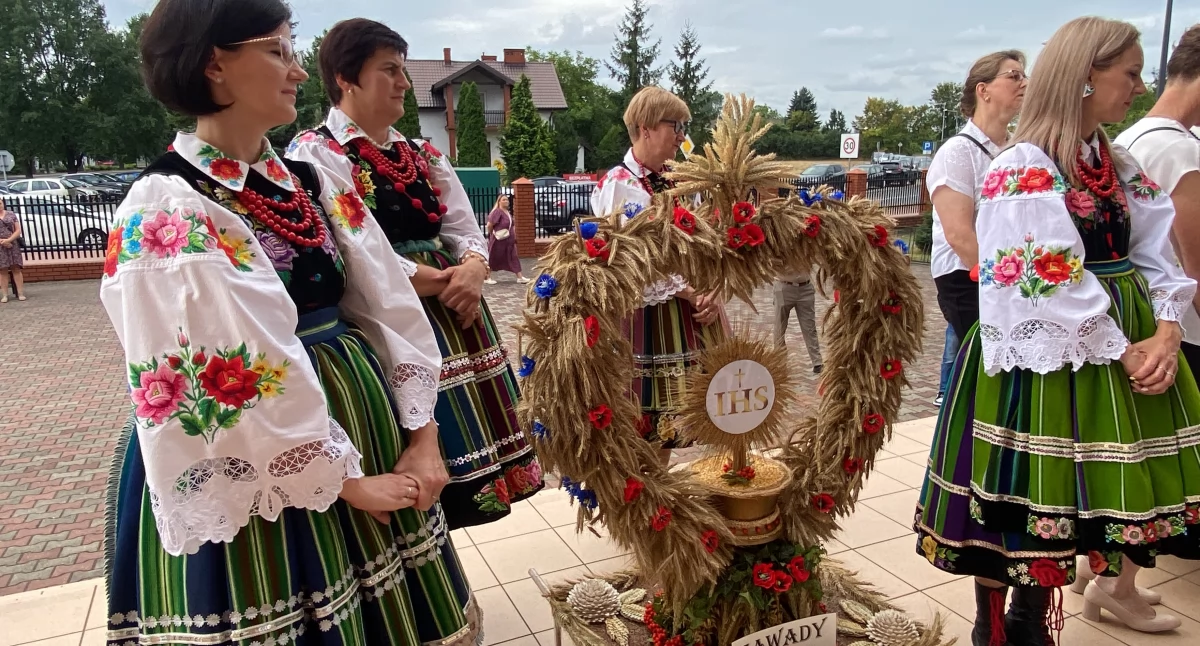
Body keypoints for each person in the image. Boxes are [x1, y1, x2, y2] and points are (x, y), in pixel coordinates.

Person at [103, 2, 478, 643]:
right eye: (277, 51)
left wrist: (422, 432)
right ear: (213, 64)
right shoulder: (168, 203)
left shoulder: (311, 177)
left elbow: (386, 300)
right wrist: (344, 479)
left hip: (361, 423)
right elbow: (224, 364)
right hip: (257, 455)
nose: (300, 72)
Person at [914, 17, 1200, 645]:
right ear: (1085, 77)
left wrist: (1169, 329)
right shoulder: (1023, 168)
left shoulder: (1114, 161)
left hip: (1111, 349)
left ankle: (1031, 617)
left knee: (1071, 501)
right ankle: (1005, 628)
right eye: (1129, 72)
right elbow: (1046, 279)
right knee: (1022, 502)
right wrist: (1125, 349)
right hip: (1044, 354)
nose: (1140, 85)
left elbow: (1160, 252)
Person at [287, 18, 541, 530]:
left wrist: (472, 267)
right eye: (390, 70)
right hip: (385, 317)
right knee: (406, 449)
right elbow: (349, 247)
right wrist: (446, 280)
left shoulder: (421, 153)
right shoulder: (315, 154)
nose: (405, 82)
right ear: (345, 77)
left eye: (404, 70)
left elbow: (464, 226)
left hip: (454, 312)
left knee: (463, 452)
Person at [590, 86, 726, 459]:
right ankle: (636, 512)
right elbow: (629, 261)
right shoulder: (621, 184)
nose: (681, 135)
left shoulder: (680, 178)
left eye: (683, 126)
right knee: (642, 432)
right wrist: (689, 291)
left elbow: (706, 242)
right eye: (675, 125)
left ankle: (657, 509)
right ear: (645, 127)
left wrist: (713, 288)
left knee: (670, 434)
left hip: (690, 312)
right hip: (645, 319)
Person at [928, 49, 1027, 409]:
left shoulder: (1017, 149)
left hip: (1007, 279)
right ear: (983, 90)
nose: (1024, 83)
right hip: (969, 277)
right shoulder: (959, 152)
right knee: (983, 380)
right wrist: (1006, 289)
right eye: (1014, 76)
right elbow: (959, 235)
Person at [1116, 24, 1200, 377]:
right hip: (1187, 333)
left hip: (1143, 319)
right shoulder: (1180, 150)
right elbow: (1196, 265)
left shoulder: (1127, 139)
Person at [772, 267, 823, 373]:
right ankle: (780, 364)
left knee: (809, 328)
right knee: (779, 329)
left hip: (805, 288)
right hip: (783, 287)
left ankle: (817, 362)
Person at [485, 194, 528, 284]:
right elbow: (489, 225)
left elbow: (512, 226)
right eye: (504, 200)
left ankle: (519, 277)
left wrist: (514, 237)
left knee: (513, 257)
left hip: (509, 240)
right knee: (493, 257)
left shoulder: (507, 213)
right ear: (499, 201)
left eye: (507, 200)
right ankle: (487, 277)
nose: (506, 201)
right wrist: (492, 233)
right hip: (498, 240)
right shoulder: (497, 212)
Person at [0, 198, 25, 303]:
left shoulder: (11, 214)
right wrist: (3, 242)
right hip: (1, 246)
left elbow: (18, 230)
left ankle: (20, 293)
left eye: (0, 203)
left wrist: (9, 240)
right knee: (3, 270)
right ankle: (5, 295)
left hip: (12, 244)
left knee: (16, 269)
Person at [934, 325, 957, 406]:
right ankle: (943, 391)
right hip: (955, 321)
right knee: (949, 357)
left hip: (979, 319)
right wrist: (949, 316)